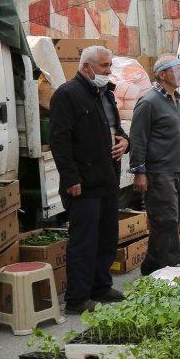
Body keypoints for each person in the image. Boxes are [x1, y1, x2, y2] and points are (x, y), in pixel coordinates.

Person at [50, 45, 129, 314]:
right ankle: (77, 299)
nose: (109, 71)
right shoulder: (67, 95)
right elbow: (59, 141)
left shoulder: (104, 93)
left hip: (107, 178)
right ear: (86, 67)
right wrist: (71, 178)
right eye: (104, 66)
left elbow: (116, 128)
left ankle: (100, 287)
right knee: (83, 241)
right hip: (83, 183)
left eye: (110, 66)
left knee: (106, 237)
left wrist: (124, 141)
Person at [130, 55, 180, 276]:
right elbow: (138, 139)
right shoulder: (149, 102)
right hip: (159, 172)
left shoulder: (176, 97)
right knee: (165, 222)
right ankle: (173, 268)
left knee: (170, 222)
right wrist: (139, 171)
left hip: (177, 170)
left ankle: (151, 268)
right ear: (161, 75)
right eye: (175, 70)